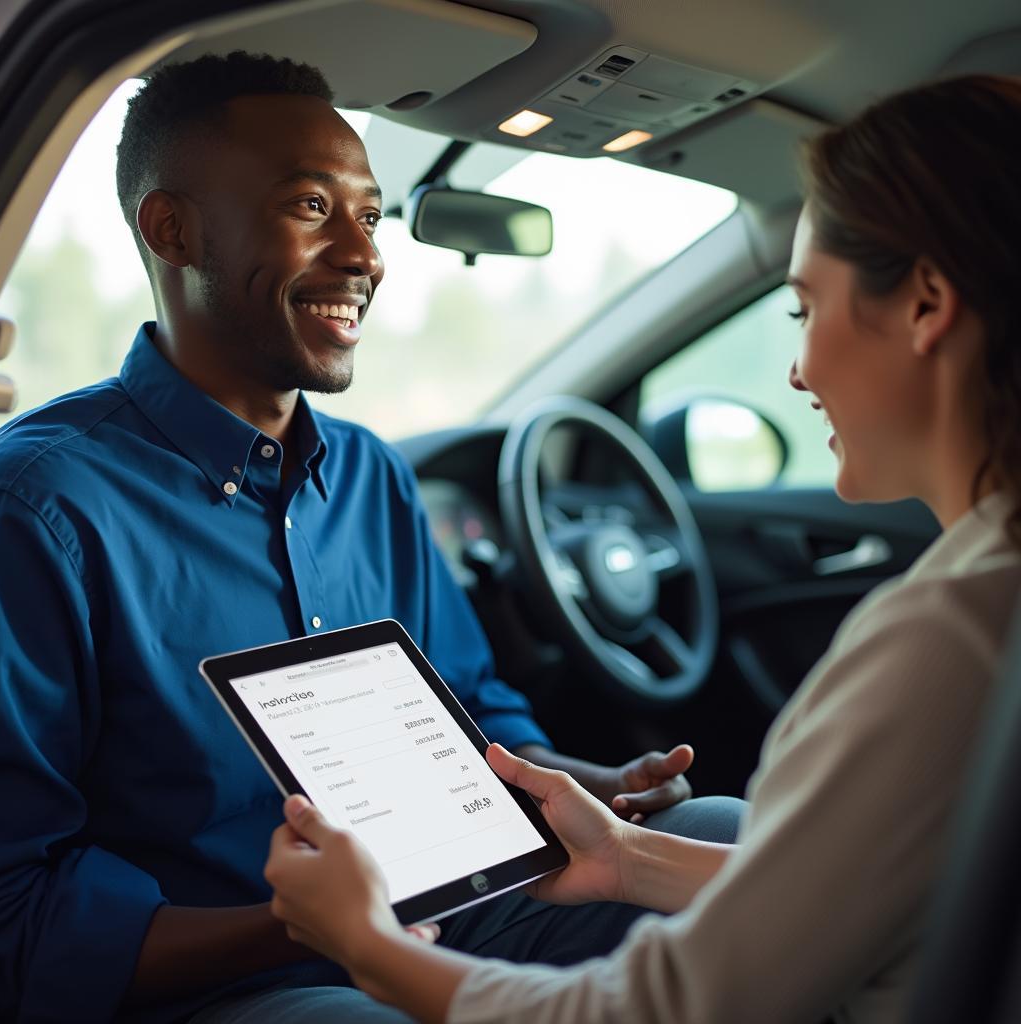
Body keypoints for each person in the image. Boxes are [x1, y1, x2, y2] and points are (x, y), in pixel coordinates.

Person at [0, 51, 747, 1024]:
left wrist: (586, 785)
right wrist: (311, 926)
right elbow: (20, 914)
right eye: (313, 208)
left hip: (456, 915)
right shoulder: (43, 508)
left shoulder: (372, 475)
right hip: (234, 979)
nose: (365, 253)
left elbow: (467, 707)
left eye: (371, 213)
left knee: (729, 845)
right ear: (171, 228)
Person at [264, 73, 1021, 1024]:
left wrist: (368, 946)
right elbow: (898, 885)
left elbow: (664, 1011)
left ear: (925, 306)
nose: (797, 367)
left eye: (803, 310)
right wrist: (625, 857)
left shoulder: (949, 638)